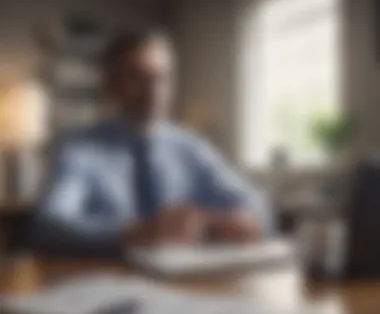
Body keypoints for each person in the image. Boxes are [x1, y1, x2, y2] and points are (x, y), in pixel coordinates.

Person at [34, 30, 273, 256]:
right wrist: (138, 232)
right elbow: (49, 226)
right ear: (109, 83)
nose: (153, 90)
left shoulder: (192, 147)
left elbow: (259, 209)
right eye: (137, 77)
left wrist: (212, 221)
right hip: (107, 279)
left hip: (185, 281)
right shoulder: (80, 151)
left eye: (162, 77)